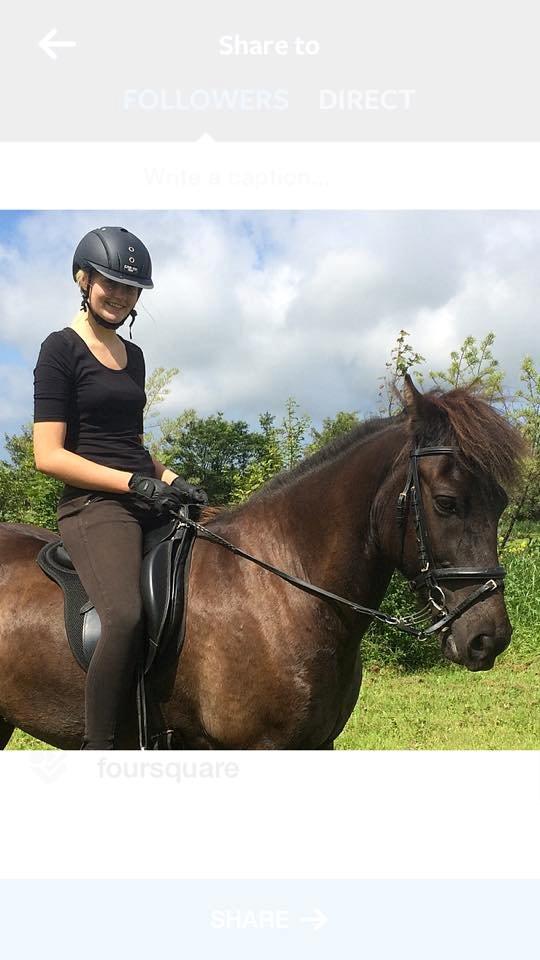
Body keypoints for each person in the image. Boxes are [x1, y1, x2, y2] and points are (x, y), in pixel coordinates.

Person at [33, 226, 208, 749]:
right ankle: (101, 747)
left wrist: (173, 480)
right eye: (111, 283)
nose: (121, 295)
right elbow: (48, 454)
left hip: (144, 492)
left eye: (131, 288)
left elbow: (131, 443)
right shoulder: (59, 349)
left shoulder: (134, 356)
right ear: (83, 280)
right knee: (125, 616)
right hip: (95, 506)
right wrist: (132, 483)